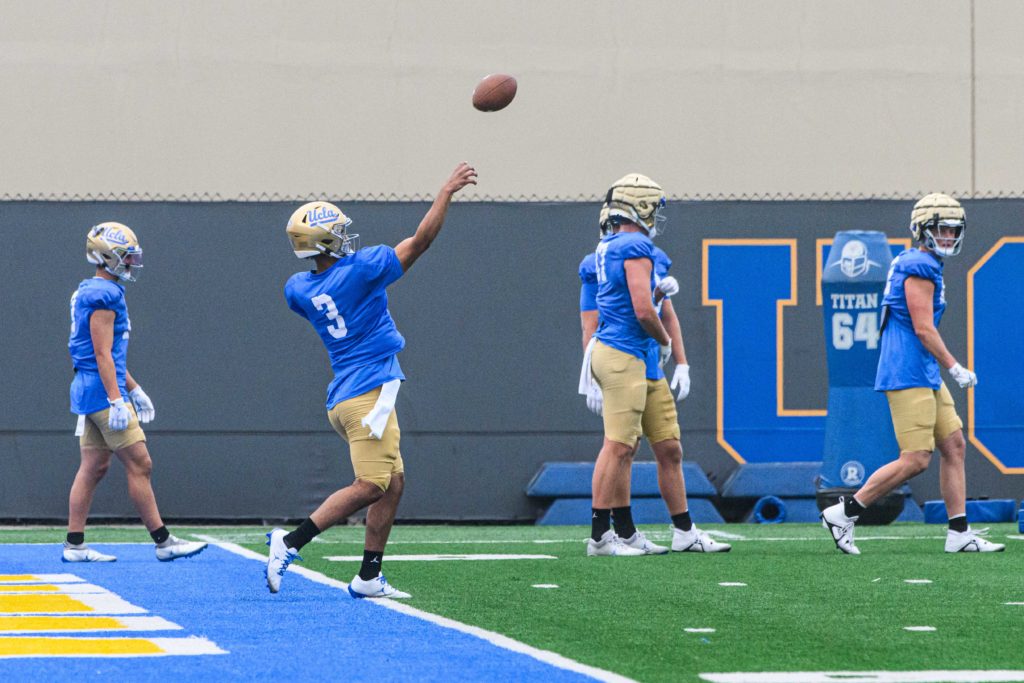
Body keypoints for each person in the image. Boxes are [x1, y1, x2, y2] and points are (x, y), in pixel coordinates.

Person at [268, 162, 478, 597]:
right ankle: (289, 541)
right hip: (368, 396)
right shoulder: (361, 270)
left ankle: (368, 576)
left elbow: (320, 282)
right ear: (324, 241)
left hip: (346, 396)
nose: (347, 238)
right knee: (371, 485)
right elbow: (420, 242)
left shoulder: (298, 289)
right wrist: (445, 193)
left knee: (393, 482)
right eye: (338, 233)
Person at [821, 194, 1004, 554]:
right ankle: (845, 512)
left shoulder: (921, 261)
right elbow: (922, 327)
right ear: (923, 230)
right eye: (941, 229)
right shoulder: (920, 264)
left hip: (921, 369)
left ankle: (958, 533)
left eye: (953, 230)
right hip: (908, 370)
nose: (949, 236)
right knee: (916, 458)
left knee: (953, 444)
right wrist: (954, 366)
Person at [581, 175, 730, 556]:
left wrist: (673, 353)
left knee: (669, 446)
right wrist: (665, 342)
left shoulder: (622, 247)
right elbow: (643, 310)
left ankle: (683, 530)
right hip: (624, 353)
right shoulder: (634, 245)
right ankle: (601, 536)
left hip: (640, 358)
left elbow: (651, 303)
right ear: (642, 206)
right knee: (618, 447)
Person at [64, 222, 208, 563]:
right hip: (101, 392)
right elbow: (101, 354)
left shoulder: (91, 289)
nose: (130, 264)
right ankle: (163, 542)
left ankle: (74, 544)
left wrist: (134, 387)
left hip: (90, 387)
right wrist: (116, 397)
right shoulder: (105, 294)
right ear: (105, 257)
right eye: (124, 258)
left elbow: (105, 355)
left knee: (94, 466)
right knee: (140, 462)